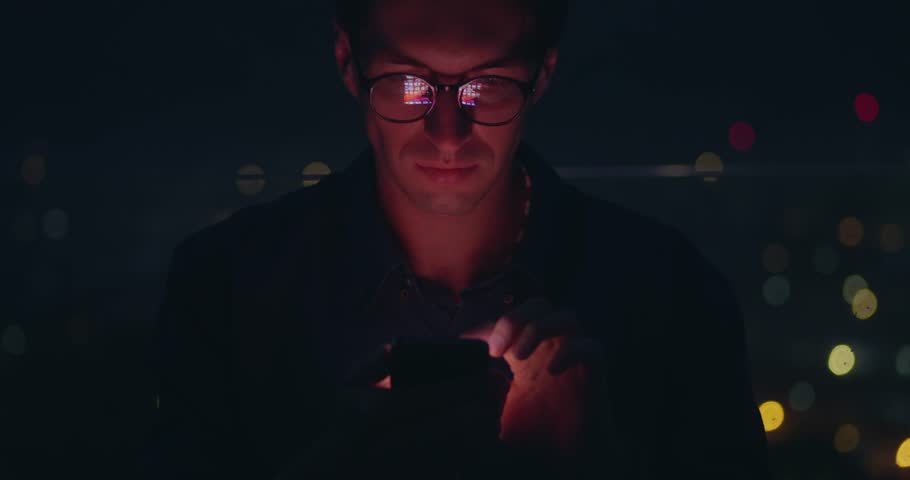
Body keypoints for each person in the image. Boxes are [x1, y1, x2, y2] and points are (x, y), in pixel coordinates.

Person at [144, 0, 771, 478]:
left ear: (543, 72)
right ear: (348, 65)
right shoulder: (227, 292)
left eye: (487, 84)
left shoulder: (671, 298)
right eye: (410, 84)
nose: (448, 132)